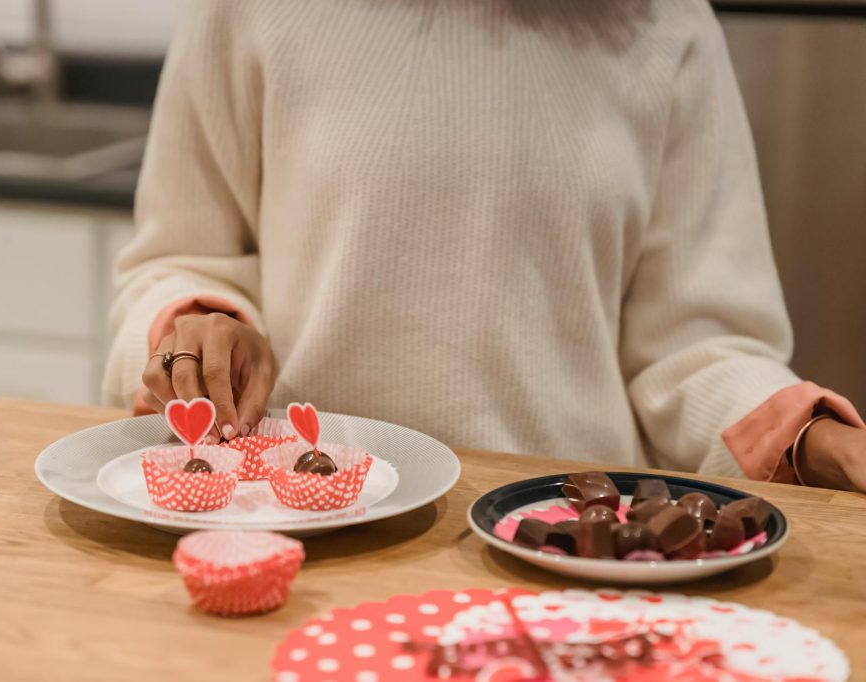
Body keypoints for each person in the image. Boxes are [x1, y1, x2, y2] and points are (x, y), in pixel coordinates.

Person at [104, 0, 866, 491]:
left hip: (567, 545)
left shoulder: (669, 26)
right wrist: (199, 330)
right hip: (298, 525)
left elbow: (698, 347)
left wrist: (808, 438)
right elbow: (176, 258)